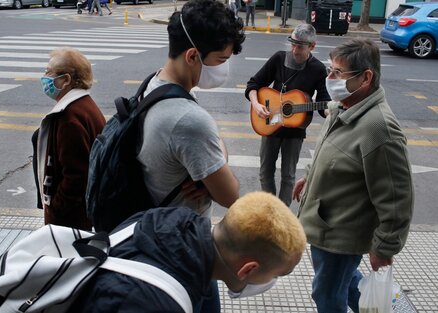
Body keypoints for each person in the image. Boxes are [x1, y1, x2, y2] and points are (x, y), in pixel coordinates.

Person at [293, 38, 414, 313]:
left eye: (338, 72)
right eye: (329, 69)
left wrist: (384, 248)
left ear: (366, 77)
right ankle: (398, 309)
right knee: (345, 285)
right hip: (325, 222)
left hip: (341, 233)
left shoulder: (379, 129)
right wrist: (310, 177)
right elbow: (328, 149)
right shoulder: (344, 106)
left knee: (326, 294)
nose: (330, 78)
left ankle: (395, 308)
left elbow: (397, 198)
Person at [71, 191, 307, 313]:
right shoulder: (158, 306)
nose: (272, 281)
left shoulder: (163, 220)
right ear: (248, 269)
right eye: (276, 275)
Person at [137, 0, 244, 219]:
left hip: (154, 224)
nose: (224, 68)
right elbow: (230, 195)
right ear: (193, 56)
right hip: (178, 241)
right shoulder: (188, 120)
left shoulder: (154, 85)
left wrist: (208, 165)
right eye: (221, 60)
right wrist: (213, 163)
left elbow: (206, 141)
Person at [245, 23, 330, 207]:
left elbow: (324, 100)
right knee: (265, 172)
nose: (294, 49)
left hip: (295, 130)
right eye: (292, 44)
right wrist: (257, 104)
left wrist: (330, 110)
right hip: (270, 124)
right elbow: (253, 84)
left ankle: (281, 213)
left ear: (312, 46)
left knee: (288, 176)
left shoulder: (318, 69)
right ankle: (270, 208)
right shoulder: (279, 58)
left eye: (300, 46)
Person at [32, 47, 106, 231]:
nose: (45, 77)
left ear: (66, 80)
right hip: (81, 216)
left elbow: (76, 176)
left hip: (70, 222)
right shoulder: (84, 106)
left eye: (49, 72)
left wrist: (56, 211)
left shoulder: (69, 117)